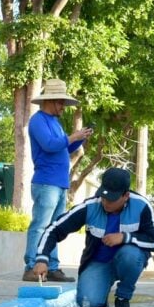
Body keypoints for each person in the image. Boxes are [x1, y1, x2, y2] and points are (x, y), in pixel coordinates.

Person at [32, 168, 154, 307]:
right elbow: (54, 229)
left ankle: (123, 297)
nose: (105, 202)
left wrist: (125, 237)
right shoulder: (91, 206)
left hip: (127, 259)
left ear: (126, 196)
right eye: (103, 196)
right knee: (89, 303)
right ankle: (102, 290)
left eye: (111, 199)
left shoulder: (142, 206)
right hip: (99, 263)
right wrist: (42, 259)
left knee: (131, 255)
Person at [23, 78, 93, 283]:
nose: (63, 106)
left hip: (59, 183)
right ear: (50, 101)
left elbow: (64, 147)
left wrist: (80, 138)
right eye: (60, 102)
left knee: (54, 227)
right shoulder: (38, 121)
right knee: (41, 225)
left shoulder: (55, 122)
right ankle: (31, 266)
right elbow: (49, 145)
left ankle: (51, 266)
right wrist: (72, 137)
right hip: (46, 183)